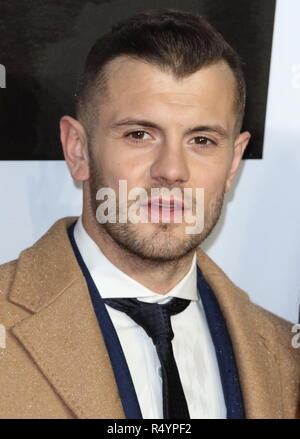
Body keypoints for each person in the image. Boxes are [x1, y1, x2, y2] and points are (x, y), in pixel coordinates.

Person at [0, 8, 299, 419]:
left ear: (233, 163)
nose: (172, 170)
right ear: (77, 150)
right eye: (139, 135)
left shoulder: (286, 353)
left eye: (202, 140)